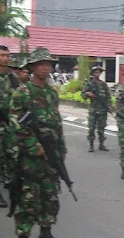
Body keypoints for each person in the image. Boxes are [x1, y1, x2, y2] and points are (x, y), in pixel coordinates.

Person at [9, 47, 67, 238]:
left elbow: (57, 122)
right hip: (31, 159)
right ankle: (23, 232)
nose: (45, 67)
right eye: (41, 64)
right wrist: (35, 146)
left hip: (51, 156)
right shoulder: (22, 93)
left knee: (50, 196)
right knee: (28, 200)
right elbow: (16, 124)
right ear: (32, 67)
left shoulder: (52, 93)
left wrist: (61, 147)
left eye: (48, 64)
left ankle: (46, 230)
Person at [0, 45, 19, 208]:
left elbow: (19, 98)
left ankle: (10, 181)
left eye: (7, 55)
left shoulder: (13, 78)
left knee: (11, 155)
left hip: (10, 125)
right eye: (2, 55)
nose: (6, 58)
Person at [81, 66, 112, 152]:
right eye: (96, 72)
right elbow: (83, 96)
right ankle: (91, 145)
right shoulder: (89, 84)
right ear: (93, 73)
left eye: (99, 72)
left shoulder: (103, 84)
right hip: (93, 110)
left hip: (102, 110)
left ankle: (101, 145)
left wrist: (109, 106)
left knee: (101, 129)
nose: (97, 74)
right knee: (91, 128)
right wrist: (88, 93)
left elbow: (108, 96)